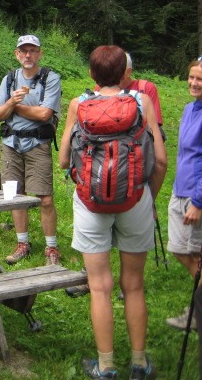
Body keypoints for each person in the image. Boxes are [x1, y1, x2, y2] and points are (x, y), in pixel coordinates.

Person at [59, 45, 166, 380]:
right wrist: (146, 196)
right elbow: (160, 161)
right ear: (124, 74)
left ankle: (105, 366)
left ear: (91, 74)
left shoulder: (79, 105)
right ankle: (139, 363)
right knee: (133, 285)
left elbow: (63, 161)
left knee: (100, 287)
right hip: (135, 200)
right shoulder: (141, 102)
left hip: (90, 203)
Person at [0, 35, 62, 266]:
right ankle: (23, 243)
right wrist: (11, 104)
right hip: (10, 144)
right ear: (17, 54)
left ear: (40, 53)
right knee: (15, 196)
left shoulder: (50, 78)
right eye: (24, 51)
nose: (28, 55)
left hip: (37, 144)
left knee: (45, 198)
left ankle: (51, 248)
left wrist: (13, 106)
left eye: (33, 51)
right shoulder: (9, 79)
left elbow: (44, 115)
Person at [164, 57, 202, 331]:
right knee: (178, 248)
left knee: (198, 254)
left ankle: (197, 312)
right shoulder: (191, 109)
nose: (194, 82)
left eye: (199, 79)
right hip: (180, 191)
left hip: (196, 197)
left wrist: (199, 202)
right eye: (191, 77)